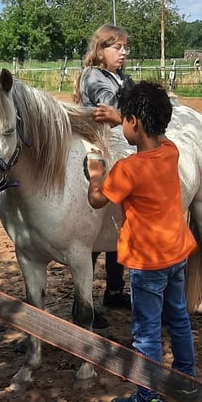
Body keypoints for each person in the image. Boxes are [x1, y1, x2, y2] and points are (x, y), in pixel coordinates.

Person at [85, 80, 198, 402]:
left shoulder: (128, 170)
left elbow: (97, 201)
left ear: (134, 122)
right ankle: (186, 380)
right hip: (177, 252)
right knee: (177, 317)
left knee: (146, 332)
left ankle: (148, 399)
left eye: (126, 121)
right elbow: (152, 134)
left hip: (148, 263)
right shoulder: (171, 150)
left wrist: (95, 175)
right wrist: (126, 117)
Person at [73, 25, 133, 325]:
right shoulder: (95, 77)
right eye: (117, 47)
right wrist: (141, 108)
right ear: (100, 50)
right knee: (97, 227)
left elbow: (134, 96)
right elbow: (112, 104)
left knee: (115, 221)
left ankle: (114, 289)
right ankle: (82, 302)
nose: (123, 53)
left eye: (125, 47)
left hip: (115, 143)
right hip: (100, 148)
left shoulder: (119, 76)